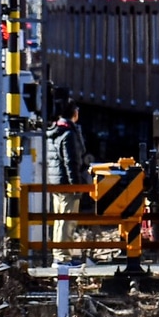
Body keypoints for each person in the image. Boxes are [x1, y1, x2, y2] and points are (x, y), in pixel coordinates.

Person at [46, 98, 86, 265]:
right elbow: (71, 161)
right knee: (67, 220)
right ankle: (62, 257)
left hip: (56, 180)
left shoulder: (54, 131)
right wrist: (76, 185)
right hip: (67, 182)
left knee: (59, 219)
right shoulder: (68, 134)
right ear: (74, 113)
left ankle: (60, 254)